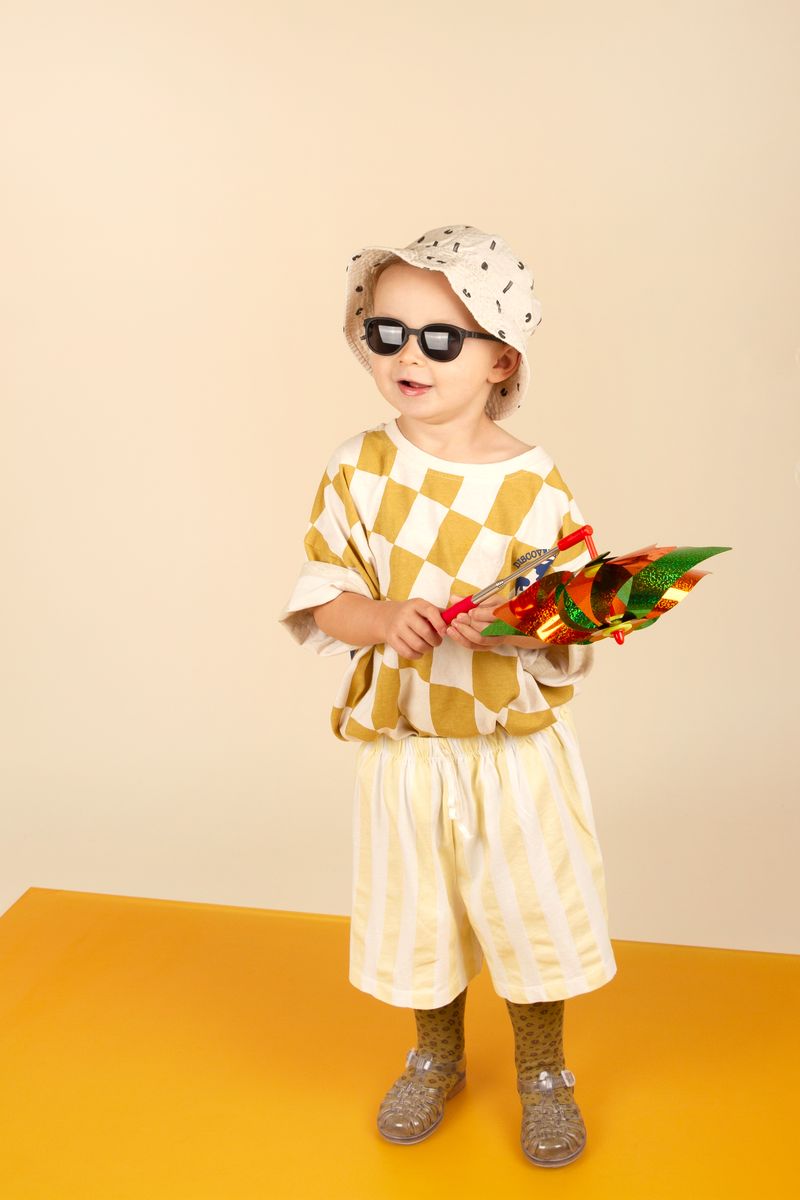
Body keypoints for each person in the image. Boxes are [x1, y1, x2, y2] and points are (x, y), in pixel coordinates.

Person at [278, 223, 617, 1168]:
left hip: (513, 751)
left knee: (529, 910)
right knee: (422, 915)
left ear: (501, 357)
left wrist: (524, 629)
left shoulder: (535, 482)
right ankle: (436, 1057)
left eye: (439, 338)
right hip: (411, 747)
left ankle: (545, 1070)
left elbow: (575, 613)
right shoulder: (358, 467)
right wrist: (381, 617)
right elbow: (322, 592)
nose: (407, 357)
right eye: (385, 333)